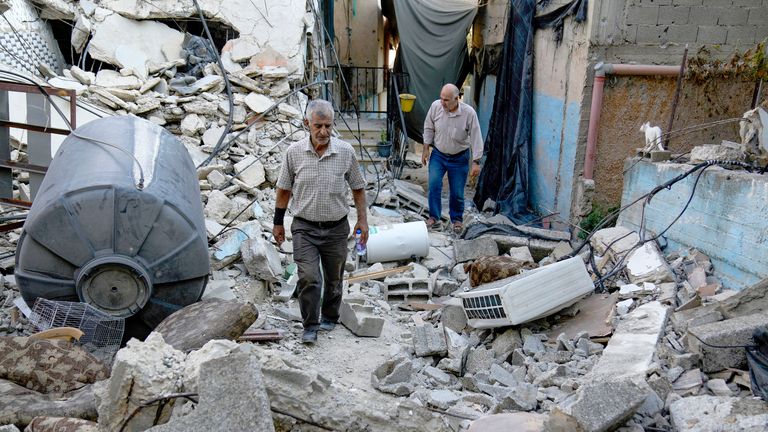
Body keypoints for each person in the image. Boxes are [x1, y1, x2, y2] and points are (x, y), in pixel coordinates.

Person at [273, 99, 368, 344]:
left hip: (337, 228)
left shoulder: (345, 152)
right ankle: (310, 325)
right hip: (304, 227)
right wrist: (278, 223)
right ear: (307, 124)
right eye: (318, 126)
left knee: (334, 278)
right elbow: (284, 190)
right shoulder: (294, 153)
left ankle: (330, 315)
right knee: (309, 277)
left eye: (328, 125)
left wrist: (363, 221)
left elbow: (358, 188)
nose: (324, 132)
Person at [421, 83, 483, 233]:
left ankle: (456, 220)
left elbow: (476, 136)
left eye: (446, 100)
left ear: (457, 98)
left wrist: (476, 161)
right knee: (434, 184)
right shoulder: (436, 107)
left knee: (457, 192)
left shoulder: (469, 113)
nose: (442, 102)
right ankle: (434, 217)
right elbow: (428, 126)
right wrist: (425, 148)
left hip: (459, 158)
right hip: (439, 155)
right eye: (441, 98)